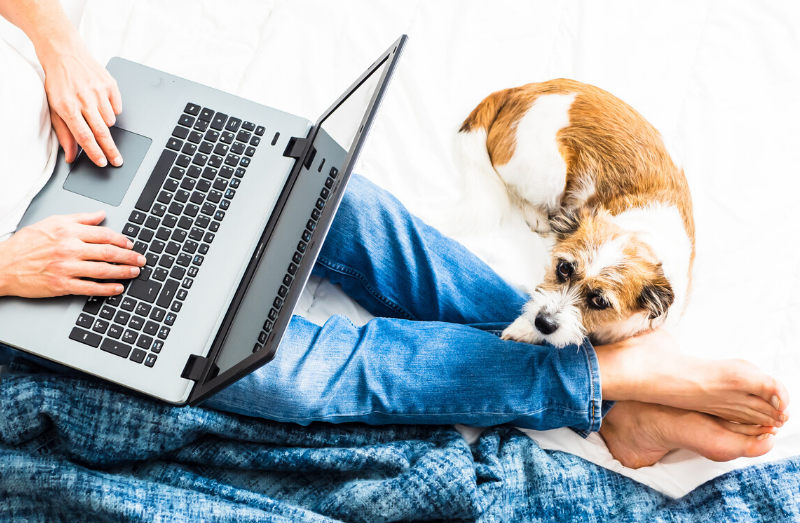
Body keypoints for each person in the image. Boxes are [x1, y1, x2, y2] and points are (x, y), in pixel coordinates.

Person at [0, 0, 790, 470]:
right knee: (289, 370)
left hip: (99, 128)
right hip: (31, 263)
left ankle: (607, 391)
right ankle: (607, 383)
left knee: (337, 202)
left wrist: (57, 44)